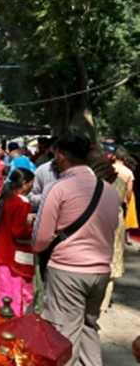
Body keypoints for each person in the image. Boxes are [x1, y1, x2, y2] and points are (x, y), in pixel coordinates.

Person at [32, 132, 120, 366]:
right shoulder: (109, 191)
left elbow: (41, 238)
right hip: (100, 271)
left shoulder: (58, 188)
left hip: (68, 270)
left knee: (64, 332)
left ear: (60, 156)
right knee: (89, 328)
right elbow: (112, 228)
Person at [0, 168, 35, 316]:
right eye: (31, 184)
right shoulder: (23, 202)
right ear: (24, 183)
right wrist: (33, 231)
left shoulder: (4, 198)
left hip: (3, 250)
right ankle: (14, 322)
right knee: (18, 292)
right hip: (16, 252)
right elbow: (19, 231)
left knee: (4, 289)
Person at [87, 149, 127, 312]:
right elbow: (124, 200)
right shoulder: (120, 182)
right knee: (113, 260)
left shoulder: (92, 182)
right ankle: (103, 303)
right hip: (116, 222)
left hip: (97, 222)